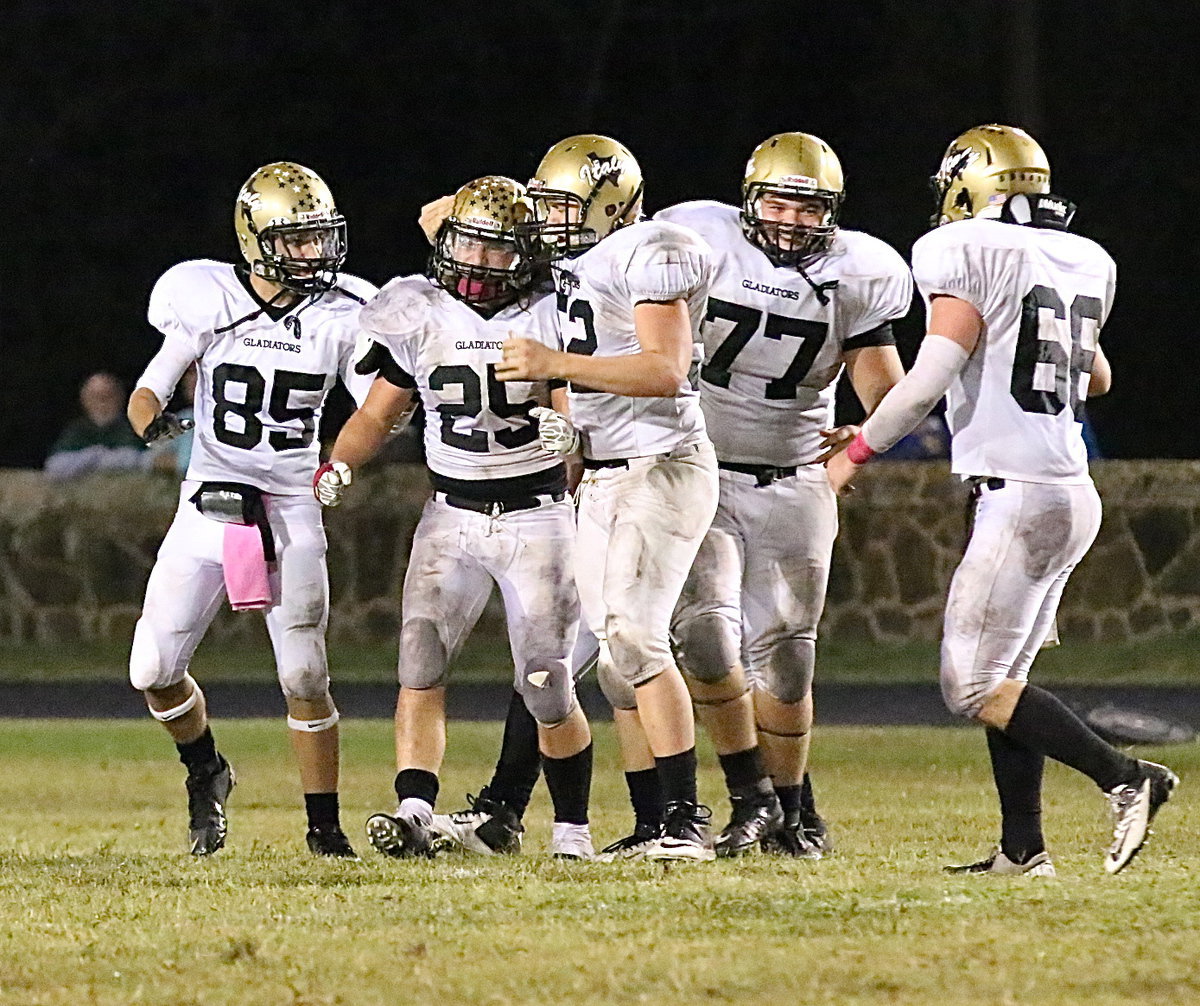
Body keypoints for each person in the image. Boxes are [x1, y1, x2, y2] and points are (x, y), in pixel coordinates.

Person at [826, 124, 1177, 875]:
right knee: (1006, 680)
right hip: (1068, 489)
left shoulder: (964, 249)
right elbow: (1096, 377)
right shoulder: (1083, 256)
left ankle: (1127, 777)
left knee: (972, 686)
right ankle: (1023, 850)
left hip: (1018, 493)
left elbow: (927, 378)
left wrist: (855, 454)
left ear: (968, 188)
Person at [598, 132, 907, 860]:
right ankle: (748, 799)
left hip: (793, 476)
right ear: (748, 199)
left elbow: (884, 390)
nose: (793, 220)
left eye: (810, 207)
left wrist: (865, 435)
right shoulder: (695, 238)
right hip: (699, 469)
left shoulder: (860, 272)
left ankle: (792, 817)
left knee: (789, 660)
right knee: (704, 639)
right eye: (779, 202)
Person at [317, 176, 596, 860]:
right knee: (420, 659)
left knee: (547, 682)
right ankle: (415, 809)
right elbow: (377, 413)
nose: (476, 261)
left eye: (494, 249)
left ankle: (572, 831)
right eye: (466, 244)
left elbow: (575, 407)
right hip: (451, 514)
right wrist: (339, 462)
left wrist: (570, 435)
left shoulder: (554, 309)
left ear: (526, 254)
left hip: (538, 517)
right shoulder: (422, 310)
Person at [127, 161, 376, 858]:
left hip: (290, 506)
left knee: (304, 674)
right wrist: (152, 420)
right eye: (297, 239)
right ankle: (206, 767)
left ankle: (324, 829)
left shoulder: (342, 311)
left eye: (319, 237)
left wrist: (350, 454)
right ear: (256, 240)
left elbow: (375, 401)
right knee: (152, 669)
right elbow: (150, 387)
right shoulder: (207, 297)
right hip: (208, 504)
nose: (314, 252)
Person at [496, 134, 720, 861]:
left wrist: (554, 364)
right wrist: (569, 429)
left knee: (635, 636)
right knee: (618, 658)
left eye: (564, 204)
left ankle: (686, 820)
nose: (550, 218)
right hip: (604, 472)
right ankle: (652, 820)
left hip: (663, 465)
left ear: (613, 204)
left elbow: (664, 370)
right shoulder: (577, 264)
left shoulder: (648, 251)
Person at [45, 372, 149, 480]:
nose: (102, 403)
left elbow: (147, 459)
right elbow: (54, 466)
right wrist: (94, 455)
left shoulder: (135, 427)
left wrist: (97, 461)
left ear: (120, 398)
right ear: (84, 401)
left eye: (108, 396)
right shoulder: (77, 430)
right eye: (95, 397)